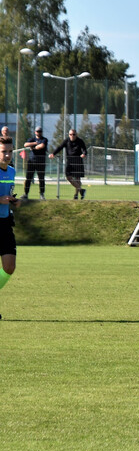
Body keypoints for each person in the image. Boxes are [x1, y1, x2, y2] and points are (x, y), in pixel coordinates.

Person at [0, 139, 22, 319]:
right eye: (3, 151)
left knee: (9, 267)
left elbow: (9, 194)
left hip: (6, 223)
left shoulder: (12, 171)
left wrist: (14, 201)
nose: (7, 155)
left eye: (9, 151)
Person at [50, 128, 87, 199]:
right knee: (68, 177)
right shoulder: (66, 141)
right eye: (70, 134)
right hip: (70, 162)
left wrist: (84, 154)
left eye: (74, 134)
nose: (72, 136)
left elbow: (84, 149)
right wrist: (53, 154)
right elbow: (59, 147)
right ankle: (81, 190)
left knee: (77, 180)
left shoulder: (80, 141)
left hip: (78, 162)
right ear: (69, 135)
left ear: (76, 135)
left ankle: (76, 195)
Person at [21, 126, 47, 200]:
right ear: (35, 132)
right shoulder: (32, 139)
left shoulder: (44, 139)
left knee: (41, 179)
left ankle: (42, 194)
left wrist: (33, 147)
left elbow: (41, 146)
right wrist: (35, 143)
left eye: (40, 131)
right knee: (28, 178)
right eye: (37, 131)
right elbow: (25, 144)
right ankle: (26, 194)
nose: (39, 133)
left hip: (41, 162)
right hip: (31, 162)